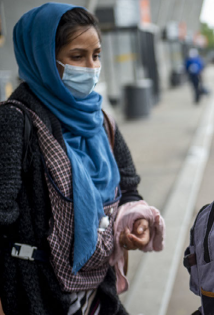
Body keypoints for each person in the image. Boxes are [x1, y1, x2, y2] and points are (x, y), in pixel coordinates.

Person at [0, 4, 164, 314]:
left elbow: (128, 187)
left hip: (99, 294)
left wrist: (136, 220)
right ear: (44, 58)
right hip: (38, 297)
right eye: (77, 56)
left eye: (96, 55)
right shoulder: (13, 122)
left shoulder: (100, 120)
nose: (90, 66)